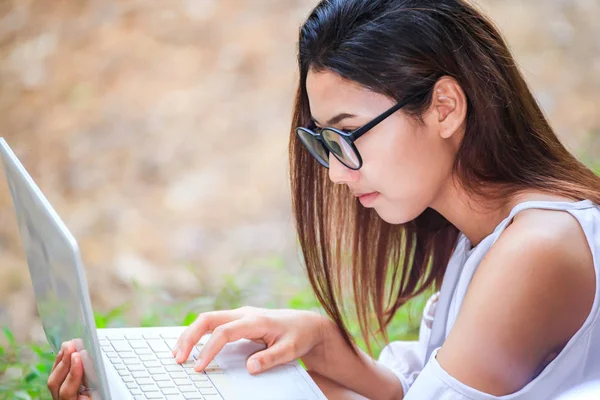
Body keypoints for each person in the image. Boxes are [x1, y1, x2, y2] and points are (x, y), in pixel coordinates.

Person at [48, 0, 600, 399]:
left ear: (444, 108)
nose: (336, 173)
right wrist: (325, 344)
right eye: (324, 141)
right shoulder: (485, 236)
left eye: (349, 134)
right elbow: (416, 392)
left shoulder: (535, 250)